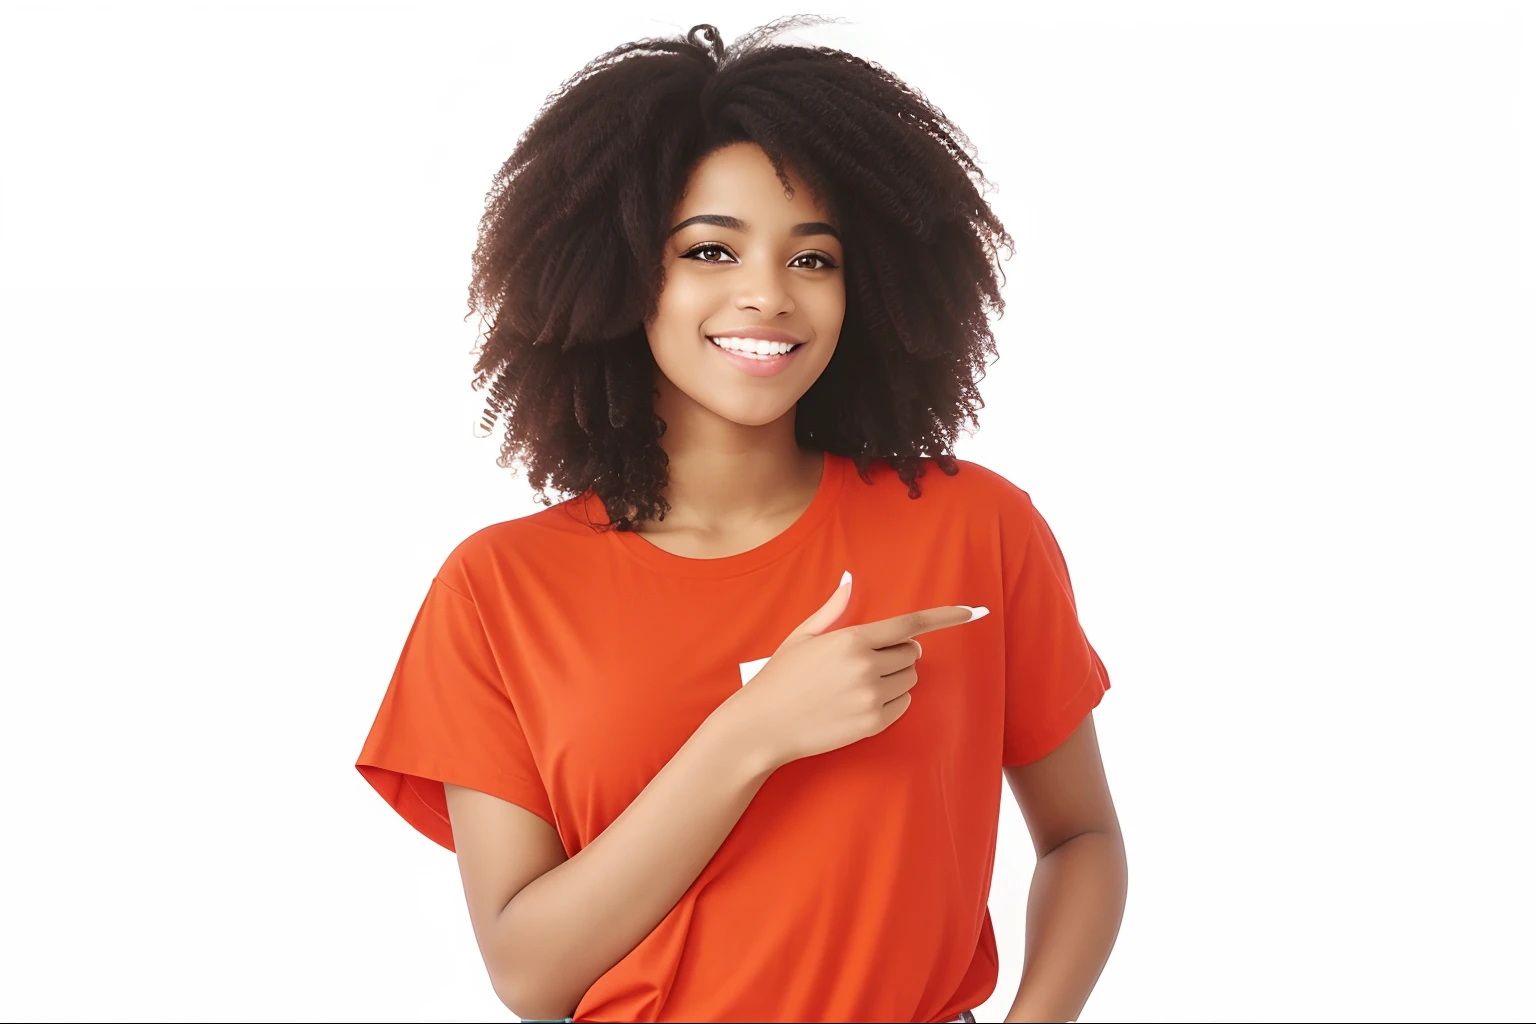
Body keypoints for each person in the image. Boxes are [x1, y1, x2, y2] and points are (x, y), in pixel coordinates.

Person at [356, 17, 1126, 1024]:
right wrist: (752, 733)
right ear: (620, 274)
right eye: (711, 251)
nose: (766, 295)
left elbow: (1081, 840)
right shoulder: (501, 588)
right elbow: (529, 975)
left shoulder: (973, 528)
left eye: (815, 260)